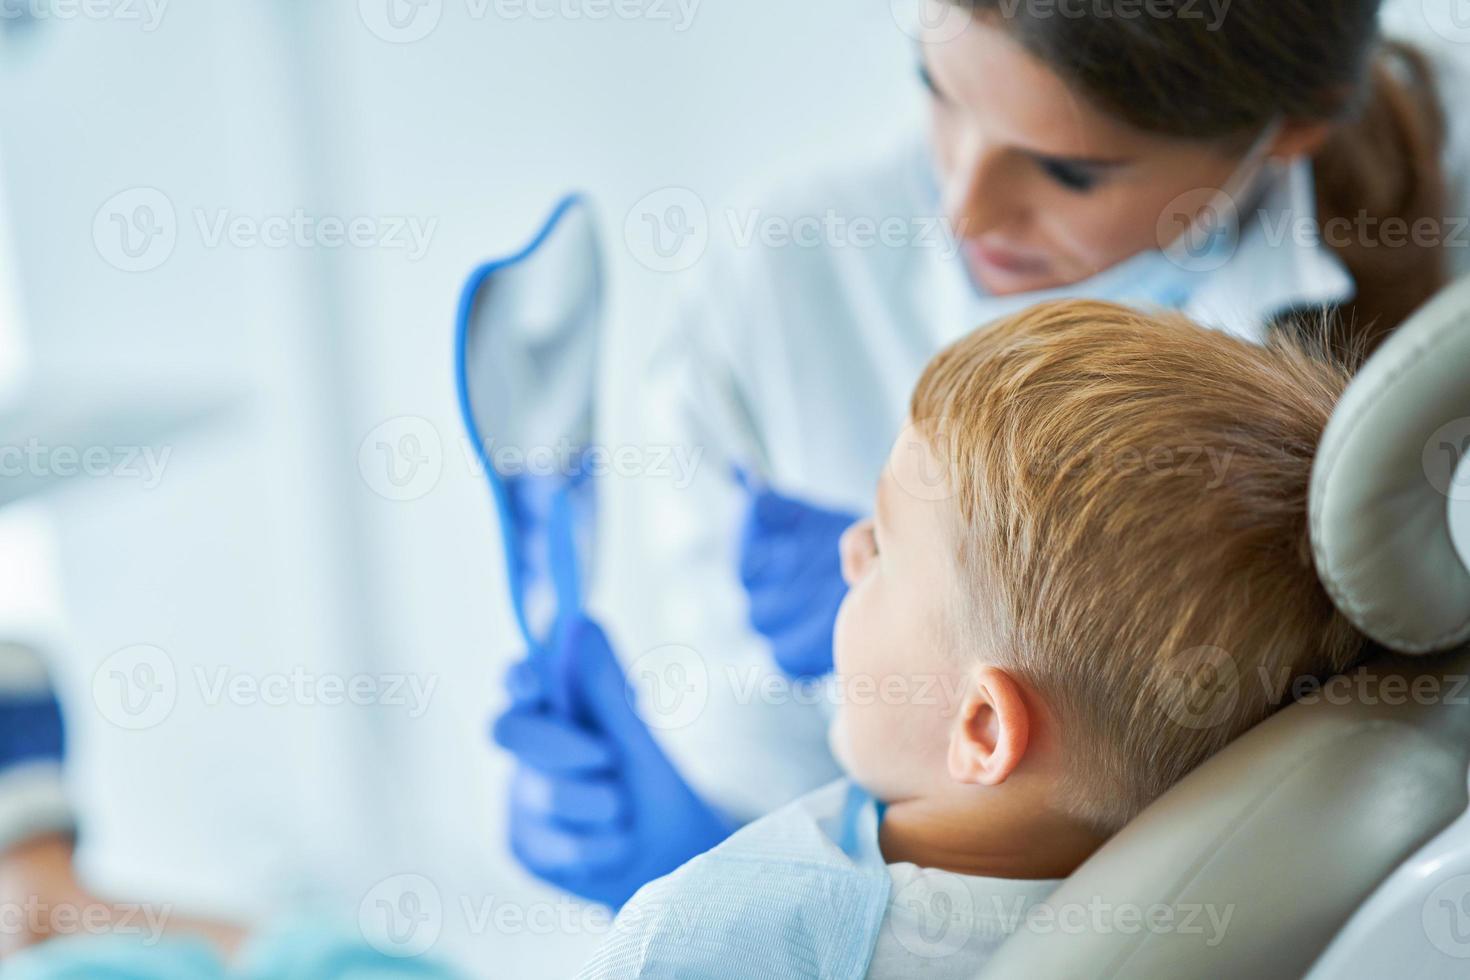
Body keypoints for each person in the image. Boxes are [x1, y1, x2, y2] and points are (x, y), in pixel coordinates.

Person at [497, 0, 1468, 907]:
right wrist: (685, 846)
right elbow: (775, 799)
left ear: (1289, 131)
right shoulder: (788, 283)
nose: (963, 208)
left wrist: (981, 595)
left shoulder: (1444, 230)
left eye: (1071, 171)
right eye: (937, 87)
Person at [572, 298, 1369, 977]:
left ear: (983, 727)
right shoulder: (1225, 920)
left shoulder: (720, 931)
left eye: (882, 543)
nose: (848, 549)